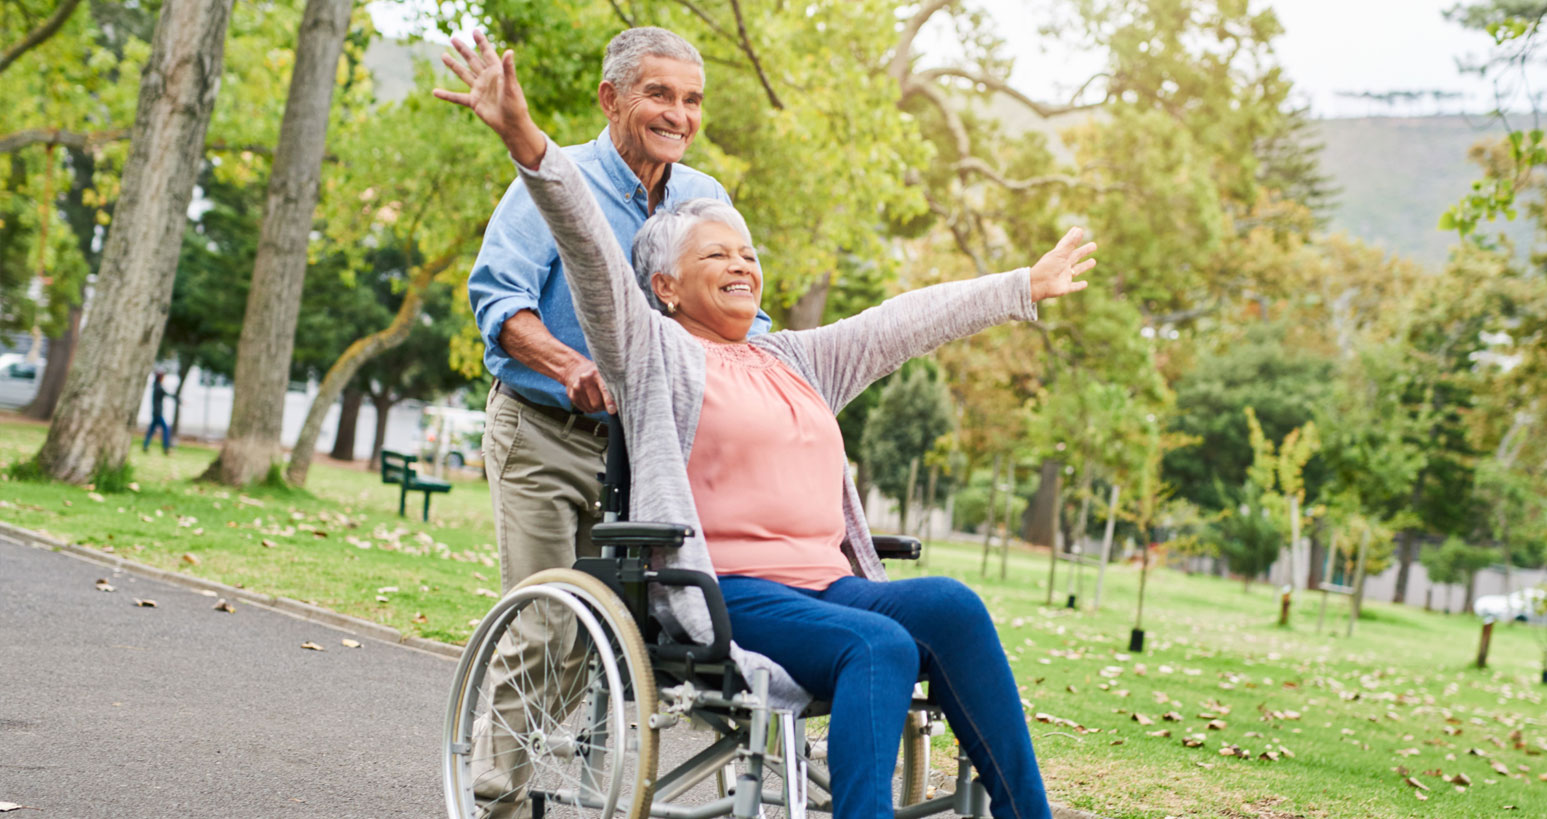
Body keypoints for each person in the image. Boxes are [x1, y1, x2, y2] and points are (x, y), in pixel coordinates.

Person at [437, 31, 1096, 819]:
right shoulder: (656, 354)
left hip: (825, 585)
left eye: (749, 253)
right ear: (667, 285)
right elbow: (585, 248)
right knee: (868, 646)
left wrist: (1024, 283)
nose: (744, 264)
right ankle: (496, 786)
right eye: (719, 255)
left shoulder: (794, 356)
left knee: (953, 604)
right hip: (718, 581)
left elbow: (906, 321)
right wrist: (525, 139)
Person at [465, 25, 769, 597]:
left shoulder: (707, 199)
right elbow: (500, 301)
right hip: (545, 433)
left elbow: (742, 318)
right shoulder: (557, 178)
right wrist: (570, 367)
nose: (677, 115)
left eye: (691, 100)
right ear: (611, 100)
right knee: (546, 628)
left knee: (623, 632)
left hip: (647, 450)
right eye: (658, 94)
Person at [143, 370, 172, 455]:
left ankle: (145, 445)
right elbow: (169, 395)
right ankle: (166, 448)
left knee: (151, 430)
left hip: (155, 412)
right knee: (166, 429)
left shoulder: (155, 387)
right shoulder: (159, 388)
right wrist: (179, 400)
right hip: (158, 413)